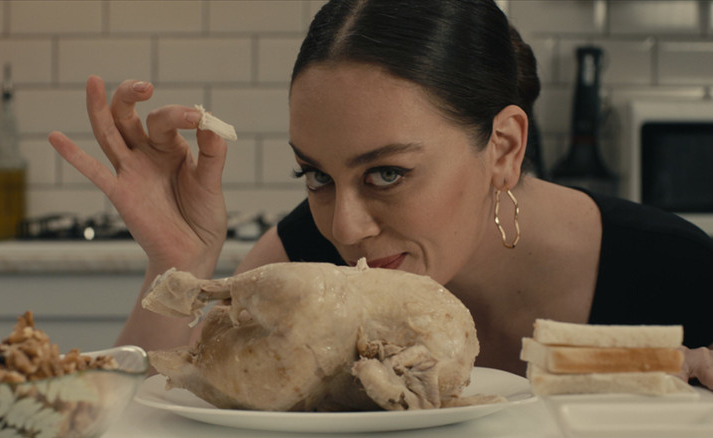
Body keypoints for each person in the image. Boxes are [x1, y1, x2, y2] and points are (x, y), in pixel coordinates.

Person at [48, 0, 713, 388]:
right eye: (315, 175)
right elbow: (164, 407)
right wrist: (178, 261)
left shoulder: (680, 274)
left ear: (504, 148)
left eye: (386, 173)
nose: (345, 228)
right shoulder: (300, 261)